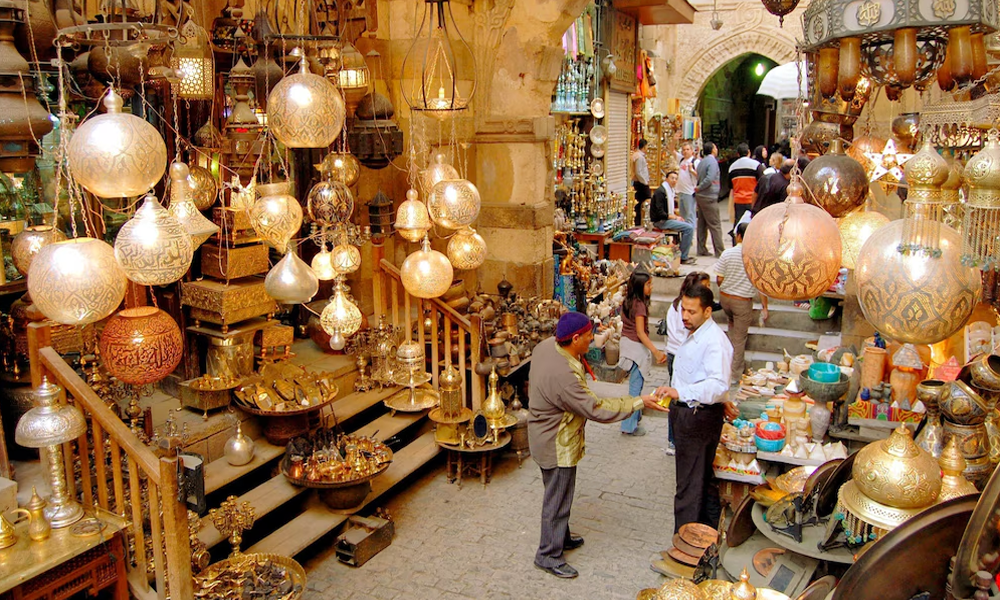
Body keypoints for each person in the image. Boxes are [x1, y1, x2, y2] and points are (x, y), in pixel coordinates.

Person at [529, 312, 670, 578]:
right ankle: (547, 554)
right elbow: (597, 408)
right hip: (556, 442)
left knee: (559, 492)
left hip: (543, 433)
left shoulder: (547, 346)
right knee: (556, 498)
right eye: (588, 336)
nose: (593, 340)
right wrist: (638, 401)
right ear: (574, 338)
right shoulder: (565, 376)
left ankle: (561, 536)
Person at [657, 285, 736, 532]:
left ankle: (684, 543)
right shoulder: (696, 333)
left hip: (697, 417)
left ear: (708, 311)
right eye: (683, 310)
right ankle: (705, 538)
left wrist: (681, 393)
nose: (684, 316)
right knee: (701, 482)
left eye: (691, 311)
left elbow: (718, 383)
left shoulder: (714, 341)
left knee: (689, 488)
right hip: (688, 414)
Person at [662, 271, 713, 456]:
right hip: (679, 355)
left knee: (683, 397)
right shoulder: (679, 309)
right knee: (679, 399)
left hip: (680, 353)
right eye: (704, 286)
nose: (708, 290)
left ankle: (679, 439)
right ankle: (675, 439)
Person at [715, 222, 769, 384]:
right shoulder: (755, 257)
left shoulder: (727, 253)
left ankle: (730, 365)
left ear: (738, 236)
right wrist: (765, 307)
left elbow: (719, 278)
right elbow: (761, 286)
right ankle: (734, 375)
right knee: (739, 340)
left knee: (733, 332)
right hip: (742, 302)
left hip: (725, 299)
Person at [618, 270, 668, 437]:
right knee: (635, 389)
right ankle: (628, 425)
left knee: (635, 386)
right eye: (648, 284)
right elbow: (640, 333)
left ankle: (635, 418)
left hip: (627, 345)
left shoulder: (628, 301)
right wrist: (656, 351)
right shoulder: (640, 305)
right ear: (640, 286)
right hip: (636, 349)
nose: (651, 287)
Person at [650, 171, 696, 265]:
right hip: (661, 221)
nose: (674, 180)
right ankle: (683, 256)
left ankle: (681, 252)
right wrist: (674, 217)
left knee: (687, 224)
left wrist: (676, 217)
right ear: (667, 179)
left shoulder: (670, 190)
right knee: (689, 228)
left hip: (667, 219)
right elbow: (660, 213)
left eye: (676, 178)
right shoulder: (661, 192)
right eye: (672, 178)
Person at [695, 141, 725, 258]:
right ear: (713, 149)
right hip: (709, 195)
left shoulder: (702, 162)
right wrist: (700, 187)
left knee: (702, 223)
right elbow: (710, 178)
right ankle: (720, 250)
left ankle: (701, 248)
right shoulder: (712, 162)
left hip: (702, 196)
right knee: (715, 224)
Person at [727, 143, 761, 241]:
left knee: (738, 224)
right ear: (749, 152)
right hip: (753, 200)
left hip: (739, 200)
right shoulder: (756, 165)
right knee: (753, 224)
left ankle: (737, 243)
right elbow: (762, 182)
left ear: (738, 154)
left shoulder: (732, 167)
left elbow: (730, 185)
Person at [676, 142, 699, 228]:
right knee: (683, 216)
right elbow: (672, 150)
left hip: (689, 192)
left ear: (692, 151)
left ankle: (691, 236)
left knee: (690, 215)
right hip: (681, 191)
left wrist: (691, 170)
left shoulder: (695, 162)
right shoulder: (681, 160)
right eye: (684, 150)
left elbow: (700, 176)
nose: (685, 151)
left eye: (687, 149)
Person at [632, 139, 651, 227]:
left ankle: (639, 222)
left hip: (640, 183)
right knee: (645, 201)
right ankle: (640, 222)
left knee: (638, 204)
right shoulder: (639, 157)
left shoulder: (637, 155)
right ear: (644, 146)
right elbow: (638, 172)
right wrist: (645, 182)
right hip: (641, 184)